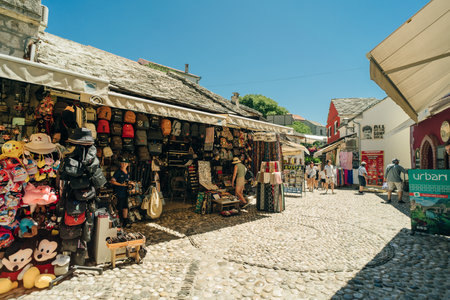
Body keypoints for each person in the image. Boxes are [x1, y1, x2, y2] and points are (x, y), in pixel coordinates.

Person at [111, 157, 131, 228]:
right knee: (119, 208)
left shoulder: (128, 173)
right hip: (119, 192)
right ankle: (119, 222)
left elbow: (127, 181)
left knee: (125, 207)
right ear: (120, 164)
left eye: (125, 163)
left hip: (126, 193)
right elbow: (112, 181)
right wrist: (121, 185)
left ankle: (125, 222)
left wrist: (131, 184)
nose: (124, 165)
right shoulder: (118, 172)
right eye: (122, 163)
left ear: (127, 164)